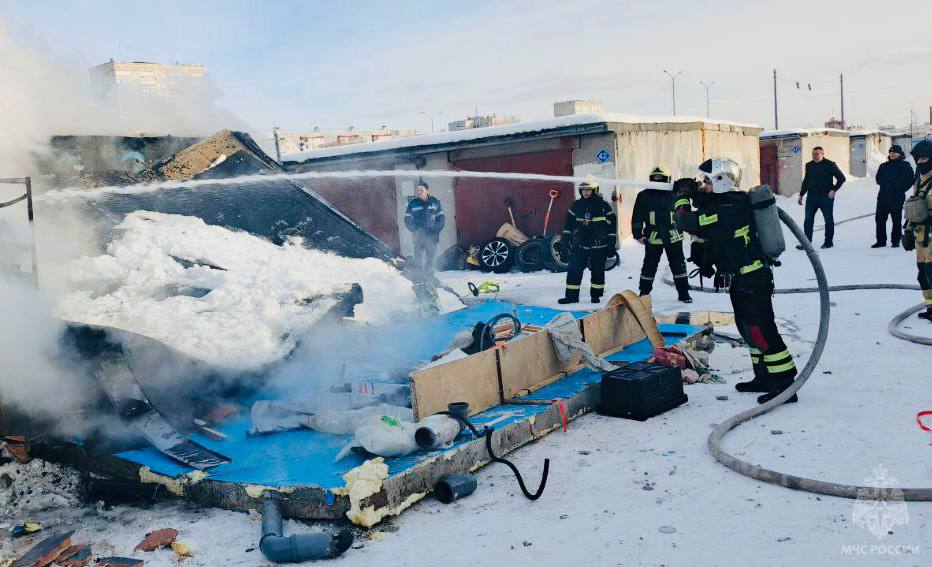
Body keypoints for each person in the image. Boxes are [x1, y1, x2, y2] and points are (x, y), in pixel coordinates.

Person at [673, 158, 798, 404]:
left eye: (708, 181)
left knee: (761, 331)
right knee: (747, 329)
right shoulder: (726, 202)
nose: (705, 185)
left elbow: (686, 221)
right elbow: (707, 204)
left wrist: (682, 196)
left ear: (722, 181)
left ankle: (784, 384)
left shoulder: (728, 209)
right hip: (742, 279)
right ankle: (763, 376)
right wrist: (694, 191)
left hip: (752, 278)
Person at [631, 166, 692, 303]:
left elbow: (687, 207)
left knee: (678, 265)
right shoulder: (644, 195)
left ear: (668, 179)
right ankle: (644, 293)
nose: (658, 180)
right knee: (649, 265)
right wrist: (637, 234)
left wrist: (684, 185)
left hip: (673, 235)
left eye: (661, 178)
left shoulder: (676, 193)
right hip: (654, 236)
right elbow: (637, 216)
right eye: (655, 178)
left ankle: (684, 293)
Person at [558, 181, 617, 304]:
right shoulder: (576, 205)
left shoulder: (603, 205)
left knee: (597, 271)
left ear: (594, 190)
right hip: (580, 244)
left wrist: (611, 244)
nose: (586, 192)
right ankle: (571, 297)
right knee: (574, 270)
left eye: (589, 190)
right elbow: (568, 223)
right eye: (584, 190)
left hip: (599, 245)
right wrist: (564, 240)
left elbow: (612, 225)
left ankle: (595, 295)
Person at [797, 146, 846, 249]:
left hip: (826, 197)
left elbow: (842, 178)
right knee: (808, 220)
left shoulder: (830, 164)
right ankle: (807, 243)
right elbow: (806, 181)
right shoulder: (809, 165)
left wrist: (834, 190)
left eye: (817, 154)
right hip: (811, 198)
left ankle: (828, 242)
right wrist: (801, 194)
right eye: (813, 154)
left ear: (822, 154)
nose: (814, 156)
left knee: (828, 220)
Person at [905, 140, 932, 322]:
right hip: (920, 236)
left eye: (924, 158)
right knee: (922, 273)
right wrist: (907, 230)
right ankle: (930, 306)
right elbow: (914, 207)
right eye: (918, 159)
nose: (921, 162)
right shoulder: (919, 181)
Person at [873, 145, 915, 248]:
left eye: (894, 152)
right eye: (890, 152)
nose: (892, 154)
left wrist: (898, 186)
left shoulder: (905, 165)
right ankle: (881, 241)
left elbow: (910, 179)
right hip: (883, 197)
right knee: (880, 220)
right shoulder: (883, 166)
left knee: (896, 220)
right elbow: (878, 179)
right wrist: (887, 183)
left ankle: (895, 241)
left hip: (897, 197)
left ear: (900, 153)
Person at [403, 181, 445, 275]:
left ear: (427, 190)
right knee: (418, 257)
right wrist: (415, 229)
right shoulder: (413, 203)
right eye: (417, 190)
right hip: (418, 236)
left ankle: (429, 274)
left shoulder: (435, 202)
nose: (419, 192)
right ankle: (419, 275)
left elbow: (441, 218)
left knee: (430, 257)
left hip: (432, 235)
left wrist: (436, 229)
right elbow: (407, 219)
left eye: (421, 190)